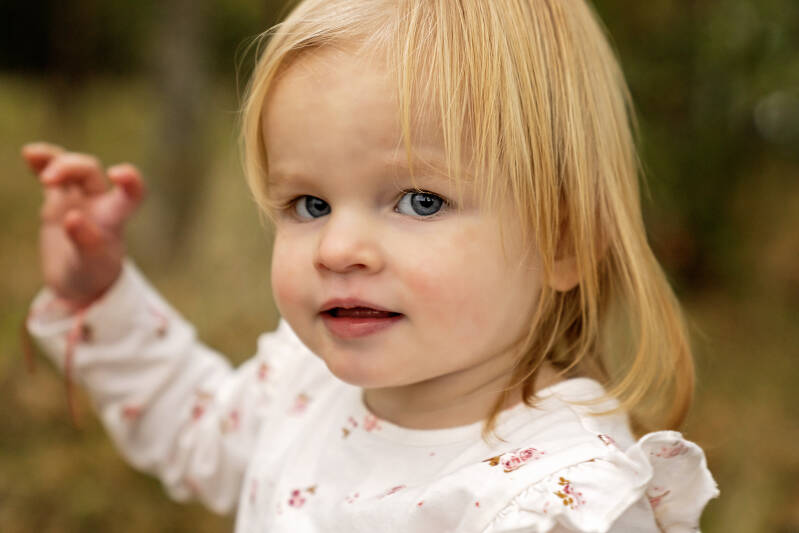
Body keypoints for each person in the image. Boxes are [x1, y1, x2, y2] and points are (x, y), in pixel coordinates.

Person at [23, 0, 719, 531]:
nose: (336, 248)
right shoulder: (303, 385)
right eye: (309, 203)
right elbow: (193, 425)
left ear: (563, 238)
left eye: (419, 200)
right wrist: (102, 294)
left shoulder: (551, 500)